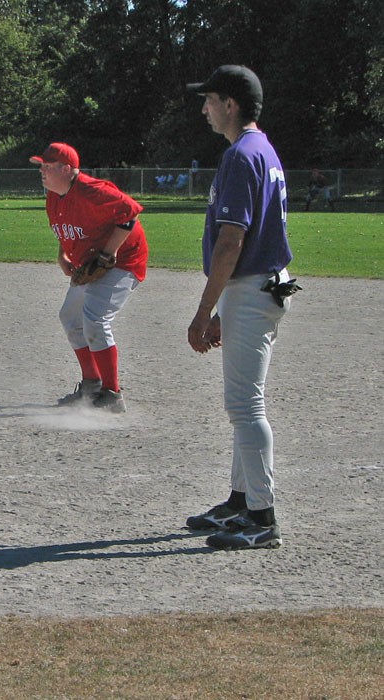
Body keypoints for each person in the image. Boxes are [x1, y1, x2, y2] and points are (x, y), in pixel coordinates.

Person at [186, 65, 298, 550]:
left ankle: (262, 516)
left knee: (245, 406)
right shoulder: (262, 149)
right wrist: (221, 308)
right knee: (243, 404)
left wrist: (204, 310)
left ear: (230, 105)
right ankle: (240, 501)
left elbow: (231, 241)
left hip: (251, 287)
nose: (204, 108)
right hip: (258, 287)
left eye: (210, 99)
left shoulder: (240, 155)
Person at [30, 142, 148, 413]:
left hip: (123, 260)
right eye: (41, 166)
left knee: (95, 319)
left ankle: (112, 394)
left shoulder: (92, 190)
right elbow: (67, 227)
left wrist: (109, 252)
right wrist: (63, 254)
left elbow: (129, 213)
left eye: (47, 166)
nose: (42, 171)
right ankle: (92, 385)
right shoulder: (54, 196)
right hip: (91, 260)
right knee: (70, 317)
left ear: (66, 169)